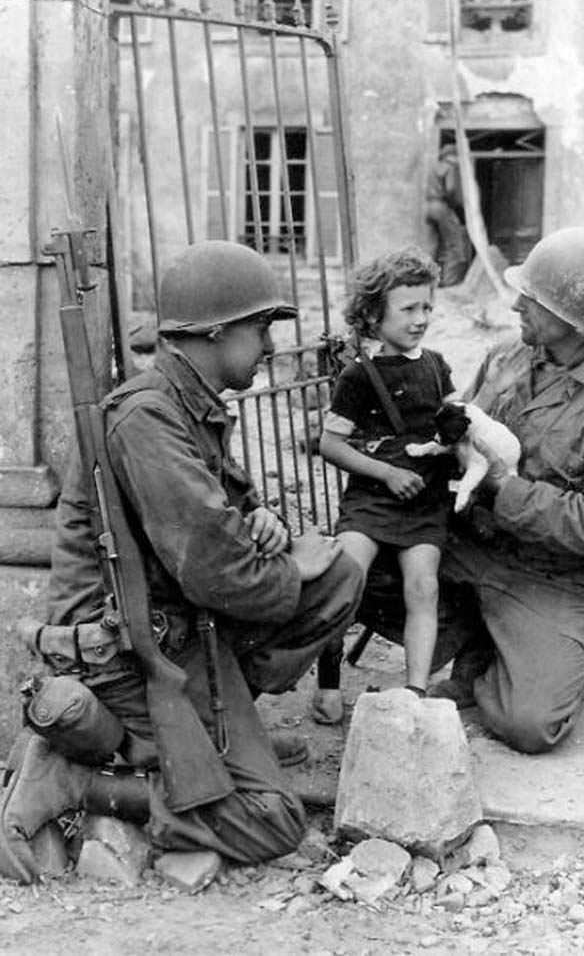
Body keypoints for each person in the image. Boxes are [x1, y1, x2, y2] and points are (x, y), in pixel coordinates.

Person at [0, 240, 363, 883]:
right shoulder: (149, 418)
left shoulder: (188, 405)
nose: (271, 347)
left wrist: (268, 523)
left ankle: (202, 732)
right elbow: (219, 571)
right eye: (259, 329)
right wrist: (283, 565)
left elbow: (233, 519)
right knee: (274, 820)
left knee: (337, 575)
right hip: (128, 649)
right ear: (213, 331)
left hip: (184, 622)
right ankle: (81, 780)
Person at [358, 227, 584, 754]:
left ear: (575, 321)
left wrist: (503, 486)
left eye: (534, 299)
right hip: (470, 544)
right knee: (350, 573)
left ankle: (498, 660)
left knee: (530, 724)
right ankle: (475, 638)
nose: (518, 305)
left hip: (551, 576)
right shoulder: (509, 356)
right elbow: (461, 427)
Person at [311, 246, 456, 724]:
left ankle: (414, 691)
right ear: (374, 315)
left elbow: (457, 421)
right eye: (408, 308)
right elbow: (331, 445)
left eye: (427, 307)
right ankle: (329, 685)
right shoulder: (358, 376)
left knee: (423, 587)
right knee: (342, 580)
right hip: (373, 499)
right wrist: (386, 472)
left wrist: (457, 432)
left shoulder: (435, 365)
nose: (421, 318)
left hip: (424, 501)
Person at [425, 143, 471, 287]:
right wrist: (456, 207)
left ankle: (427, 281)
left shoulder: (434, 168)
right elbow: (451, 190)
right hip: (441, 206)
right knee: (454, 245)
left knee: (434, 246)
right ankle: (449, 282)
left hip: (429, 206)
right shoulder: (451, 166)